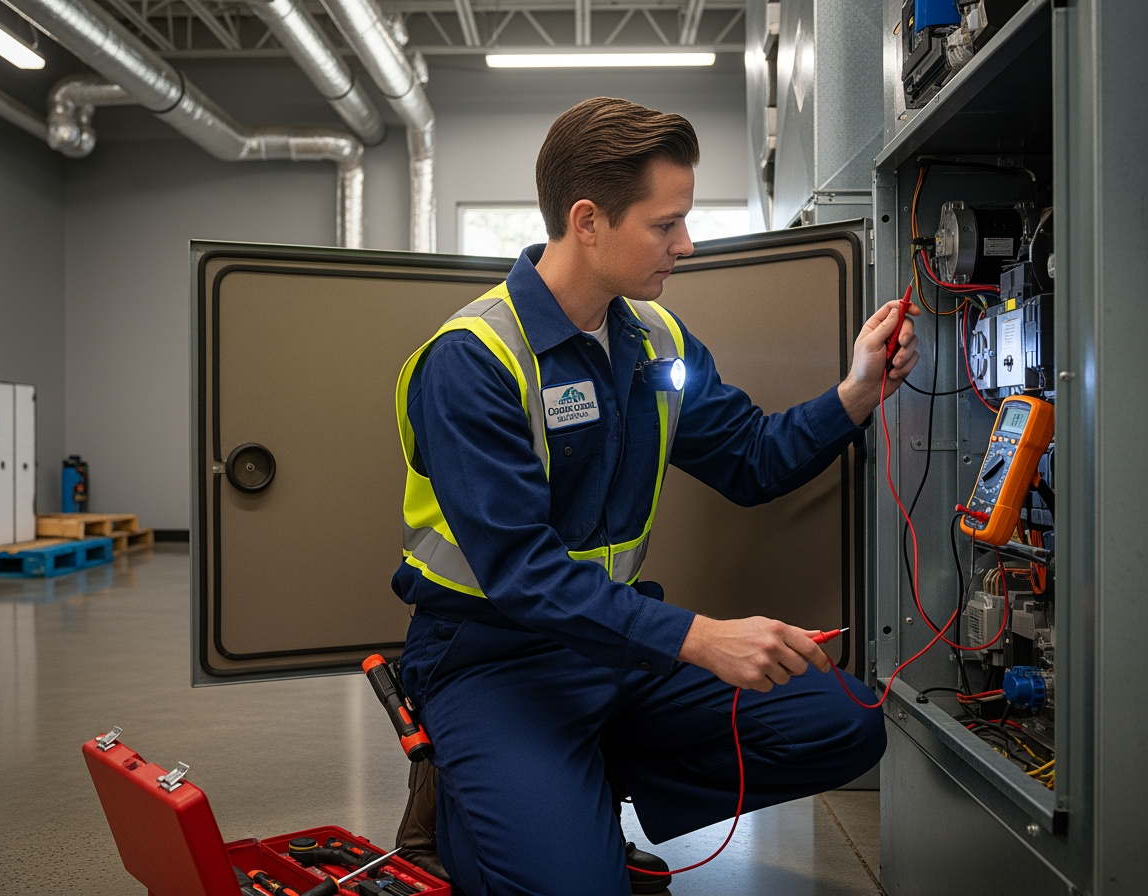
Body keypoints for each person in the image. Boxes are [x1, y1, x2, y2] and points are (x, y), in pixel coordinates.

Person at [389, 97, 918, 895]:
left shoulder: (656, 342)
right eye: (665, 224)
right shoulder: (475, 361)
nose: (687, 243)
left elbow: (752, 461)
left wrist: (855, 393)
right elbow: (522, 573)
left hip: (617, 646)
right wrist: (697, 637)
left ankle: (576, 783)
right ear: (588, 221)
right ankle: (486, 799)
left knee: (846, 723)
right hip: (492, 659)